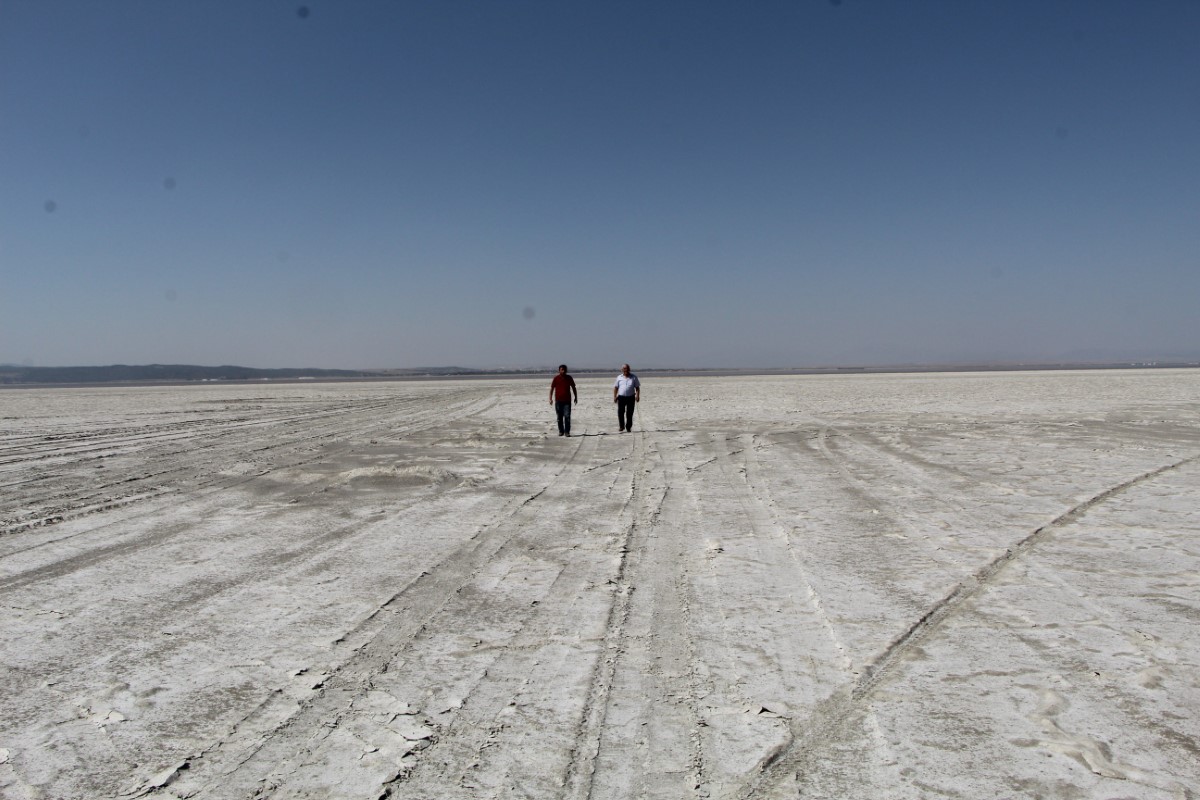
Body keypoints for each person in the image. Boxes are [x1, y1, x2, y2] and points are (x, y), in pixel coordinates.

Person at [549, 364, 578, 436]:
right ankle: (561, 431)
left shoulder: (569, 378)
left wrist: (576, 397)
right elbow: (552, 389)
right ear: (559, 370)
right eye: (562, 369)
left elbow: (574, 388)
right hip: (558, 401)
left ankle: (567, 432)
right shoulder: (556, 378)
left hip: (567, 401)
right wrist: (550, 398)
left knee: (567, 416)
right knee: (559, 417)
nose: (563, 371)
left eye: (564, 369)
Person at [612, 363, 640, 433]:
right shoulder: (619, 377)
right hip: (621, 397)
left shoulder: (634, 377)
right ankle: (621, 426)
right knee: (620, 413)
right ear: (622, 370)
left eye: (627, 368)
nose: (626, 370)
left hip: (631, 397)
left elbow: (637, 388)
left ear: (629, 369)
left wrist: (637, 396)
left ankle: (628, 427)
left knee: (629, 413)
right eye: (624, 368)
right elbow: (616, 388)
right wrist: (615, 396)